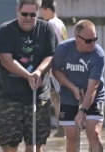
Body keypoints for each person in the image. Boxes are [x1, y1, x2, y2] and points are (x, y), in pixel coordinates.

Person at [0, 0, 56, 152]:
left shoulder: (47, 30)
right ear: (17, 11)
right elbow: (5, 59)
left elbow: (51, 56)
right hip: (10, 92)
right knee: (7, 137)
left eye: (33, 15)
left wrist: (38, 72)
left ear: (38, 13)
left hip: (38, 93)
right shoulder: (5, 30)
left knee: (36, 139)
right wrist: (27, 75)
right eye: (25, 14)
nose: (29, 19)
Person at [52, 20, 105, 152]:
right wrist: (72, 88)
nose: (93, 43)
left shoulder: (99, 55)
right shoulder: (63, 49)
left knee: (94, 134)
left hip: (94, 95)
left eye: (95, 39)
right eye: (89, 40)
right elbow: (56, 71)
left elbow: (93, 87)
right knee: (72, 137)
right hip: (68, 96)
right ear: (77, 38)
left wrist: (82, 110)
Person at [39, 0, 67, 137]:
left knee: (56, 97)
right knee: (57, 96)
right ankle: (62, 126)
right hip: (61, 64)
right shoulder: (60, 22)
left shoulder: (50, 24)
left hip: (54, 66)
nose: (40, 13)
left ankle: (62, 127)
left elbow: (51, 46)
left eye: (41, 10)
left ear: (47, 9)